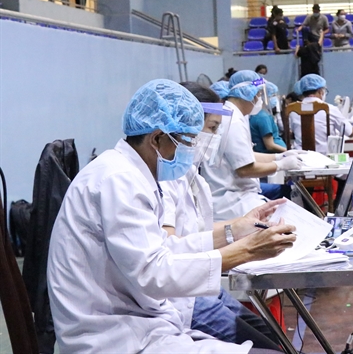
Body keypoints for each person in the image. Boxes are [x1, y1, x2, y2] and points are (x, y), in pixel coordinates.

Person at [47, 78, 296, 353]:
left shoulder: (135, 174)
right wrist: (248, 250)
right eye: (188, 140)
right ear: (156, 138)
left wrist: (235, 232)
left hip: (139, 320)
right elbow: (154, 274)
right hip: (112, 337)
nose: (193, 148)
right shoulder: (119, 180)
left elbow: (166, 248)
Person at [161, 81, 282, 350]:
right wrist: (247, 248)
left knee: (273, 336)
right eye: (212, 128)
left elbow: (196, 231)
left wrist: (242, 226)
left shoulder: (188, 175)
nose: (215, 137)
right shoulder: (161, 178)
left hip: (196, 291)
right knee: (268, 346)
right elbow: (172, 250)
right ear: (187, 124)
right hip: (180, 300)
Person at [201, 71, 303, 221]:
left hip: (238, 196)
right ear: (249, 93)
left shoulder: (236, 116)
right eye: (259, 94)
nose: (260, 99)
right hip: (233, 201)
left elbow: (244, 155)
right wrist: (280, 165)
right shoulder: (233, 121)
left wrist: (279, 156)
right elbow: (245, 169)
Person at [289, 74, 353, 154]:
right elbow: (350, 133)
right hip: (324, 158)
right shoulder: (330, 109)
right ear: (320, 91)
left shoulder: (293, 110)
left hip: (299, 158)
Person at [250, 81, 287, 154]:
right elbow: (270, 145)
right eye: (273, 95)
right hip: (272, 154)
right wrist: (288, 151)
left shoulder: (257, 114)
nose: (276, 98)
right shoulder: (263, 117)